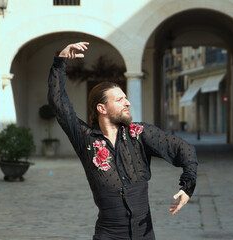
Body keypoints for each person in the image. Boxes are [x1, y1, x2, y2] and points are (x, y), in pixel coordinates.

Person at [47, 42, 198, 240]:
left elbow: (183, 149)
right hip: (108, 235)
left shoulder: (139, 133)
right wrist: (60, 62)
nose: (127, 102)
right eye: (119, 100)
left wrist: (187, 187)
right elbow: (59, 104)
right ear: (102, 108)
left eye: (126, 98)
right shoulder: (87, 139)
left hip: (144, 235)